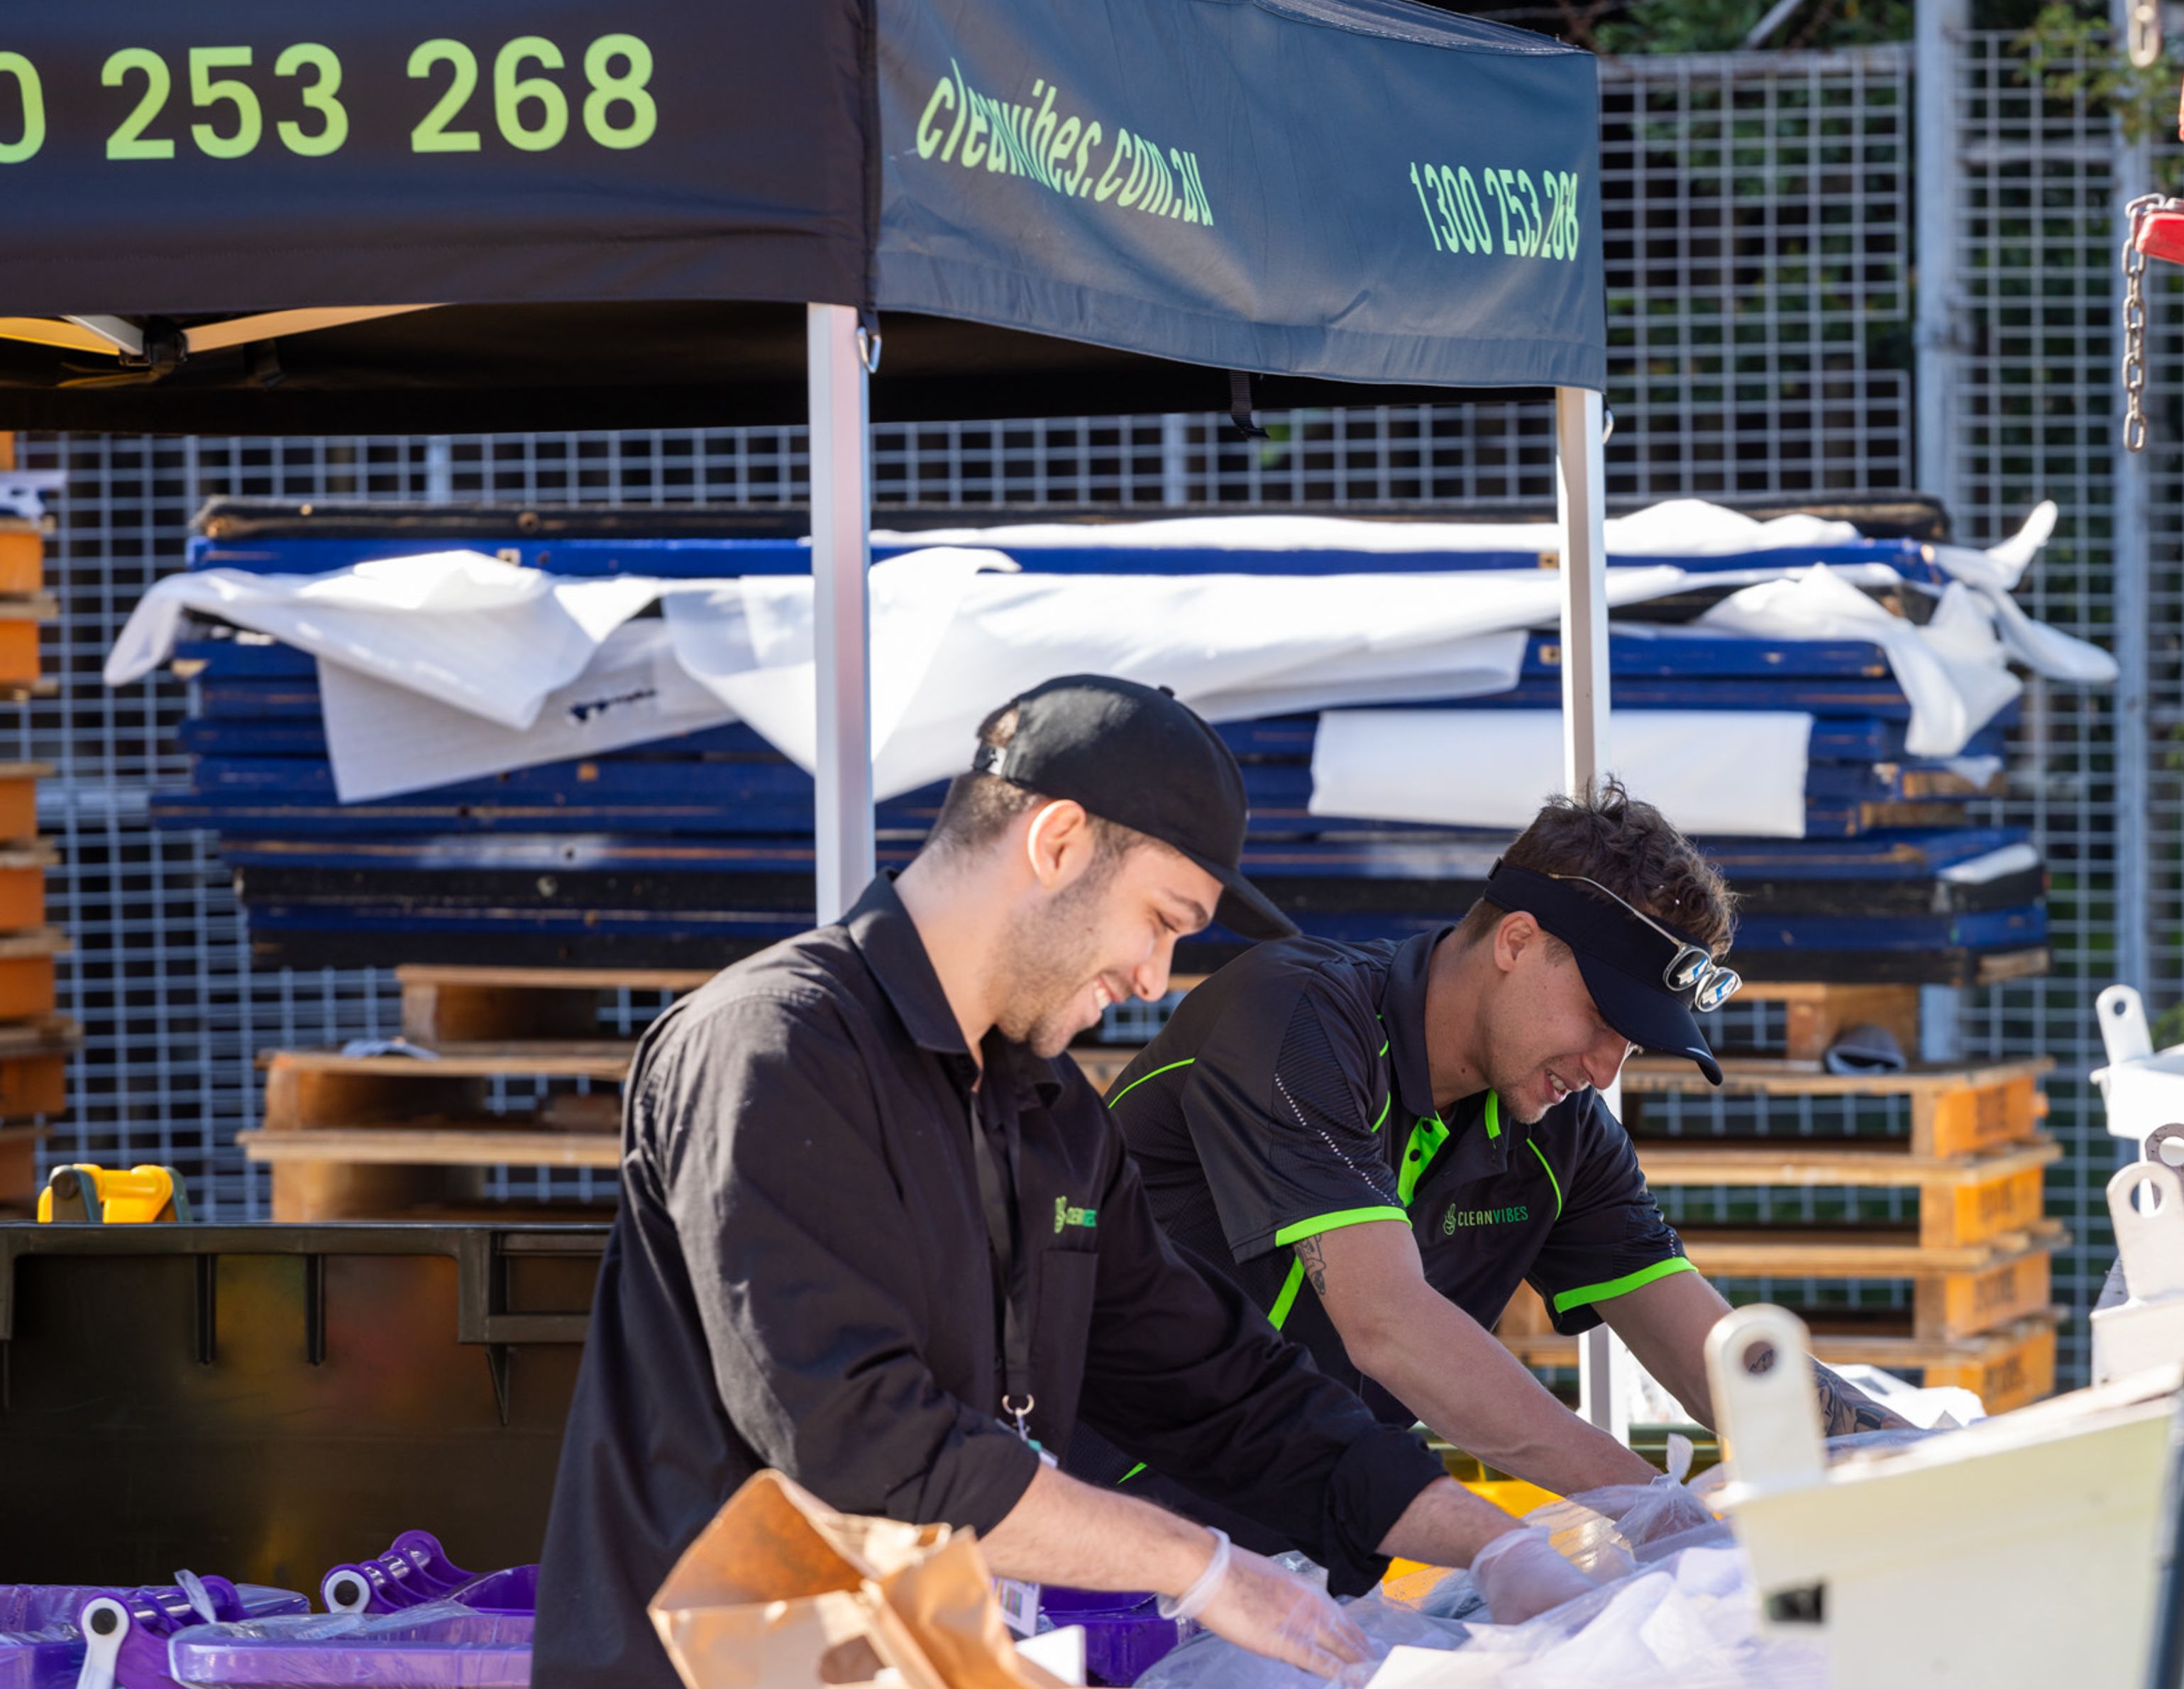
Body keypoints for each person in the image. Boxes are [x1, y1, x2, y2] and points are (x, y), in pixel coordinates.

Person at [535, 677, 1596, 1689]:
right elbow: (860, 1442)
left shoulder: (1051, 1117)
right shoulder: (774, 1049)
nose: (1153, 979)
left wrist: (1496, 1542)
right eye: (1162, 920)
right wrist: (1199, 1565)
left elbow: (1220, 1388)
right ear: (1057, 842)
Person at [1069, 782, 1909, 1548]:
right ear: (1517, 939)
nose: (1606, 1067)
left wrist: (1915, 1460)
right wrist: (1651, 1500)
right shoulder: (1297, 1016)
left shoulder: (1561, 1125)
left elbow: (1714, 1358)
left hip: (1291, 1555)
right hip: (1083, 1526)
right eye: (1601, 1016)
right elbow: (1388, 1323)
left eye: (1635, 1040)